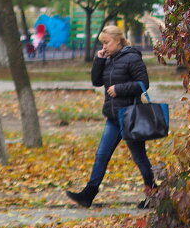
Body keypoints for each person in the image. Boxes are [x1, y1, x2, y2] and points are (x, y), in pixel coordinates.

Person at [66, 25, 156, 209]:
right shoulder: (108, 59)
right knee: (101, 155)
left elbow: (143, 83)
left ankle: (153, 194)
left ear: (118, 40)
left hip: (130, 115)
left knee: (139, 157)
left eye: (107, 43)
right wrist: (99, 60)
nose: (104, 46)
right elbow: (96, 81)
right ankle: (88, 194)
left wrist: (119, 89)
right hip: (113, 117)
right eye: (102, 43)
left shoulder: (132, 58)